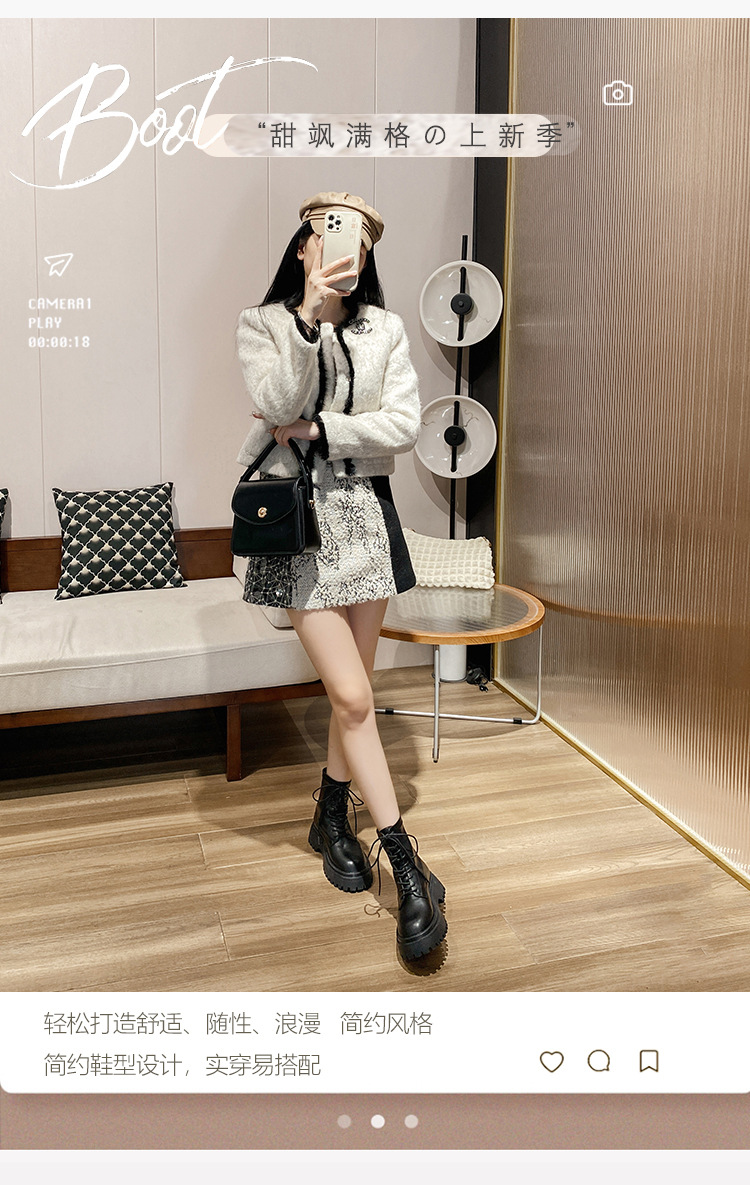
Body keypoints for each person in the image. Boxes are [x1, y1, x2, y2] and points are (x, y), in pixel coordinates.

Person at [234, 191, 447, 962]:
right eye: (327, 233)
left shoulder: (384, 329)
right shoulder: (263, 324)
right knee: (355, 696)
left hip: (366, 524)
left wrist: (320, 428)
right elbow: (273, 400)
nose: (342, 247)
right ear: (303, 244)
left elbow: (403, 425)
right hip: (296, 529)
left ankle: (330, 813)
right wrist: (307, 319)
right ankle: (406, 865)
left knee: (349, 693)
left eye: (358, 238)